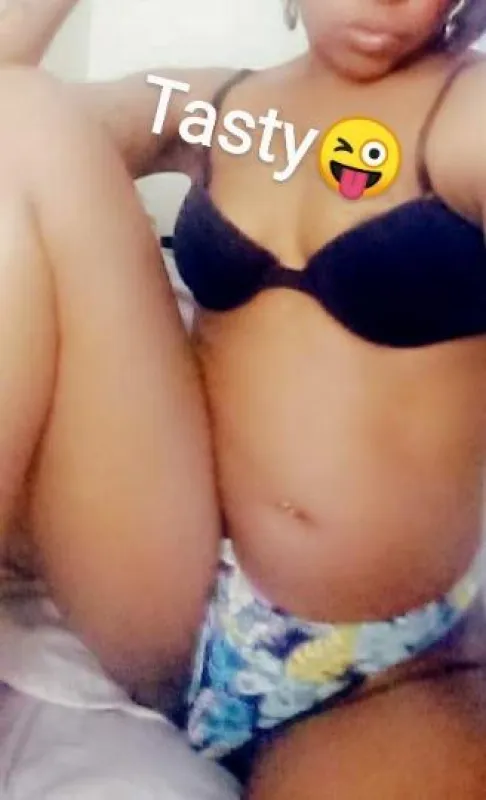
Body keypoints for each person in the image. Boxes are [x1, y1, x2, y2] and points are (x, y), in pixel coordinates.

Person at [2, 0, 486, 797]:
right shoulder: (221, 110)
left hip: (378, 673)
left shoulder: (465, 115)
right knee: (22, 116)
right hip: (169, 582)